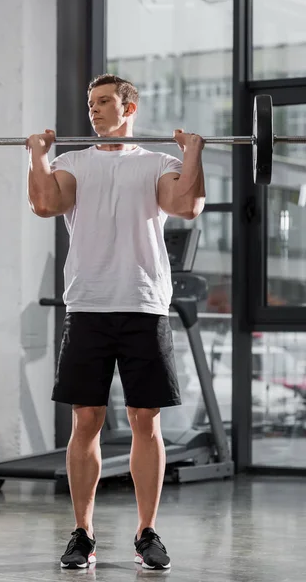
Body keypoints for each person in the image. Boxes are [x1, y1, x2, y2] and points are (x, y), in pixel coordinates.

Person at [26, 74, 205, 570]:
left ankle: (147, 531)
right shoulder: (72, 163)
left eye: (104, 101)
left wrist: (193, 154)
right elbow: (45, 204)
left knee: (146, 421)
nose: (94, 110)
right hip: (87, 306)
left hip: (144, 305)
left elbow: (186, 204)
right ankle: (82, 534)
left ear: (129, 107)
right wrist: (37, 155)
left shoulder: (158, 164)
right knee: (87, 420)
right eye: (90, 103)